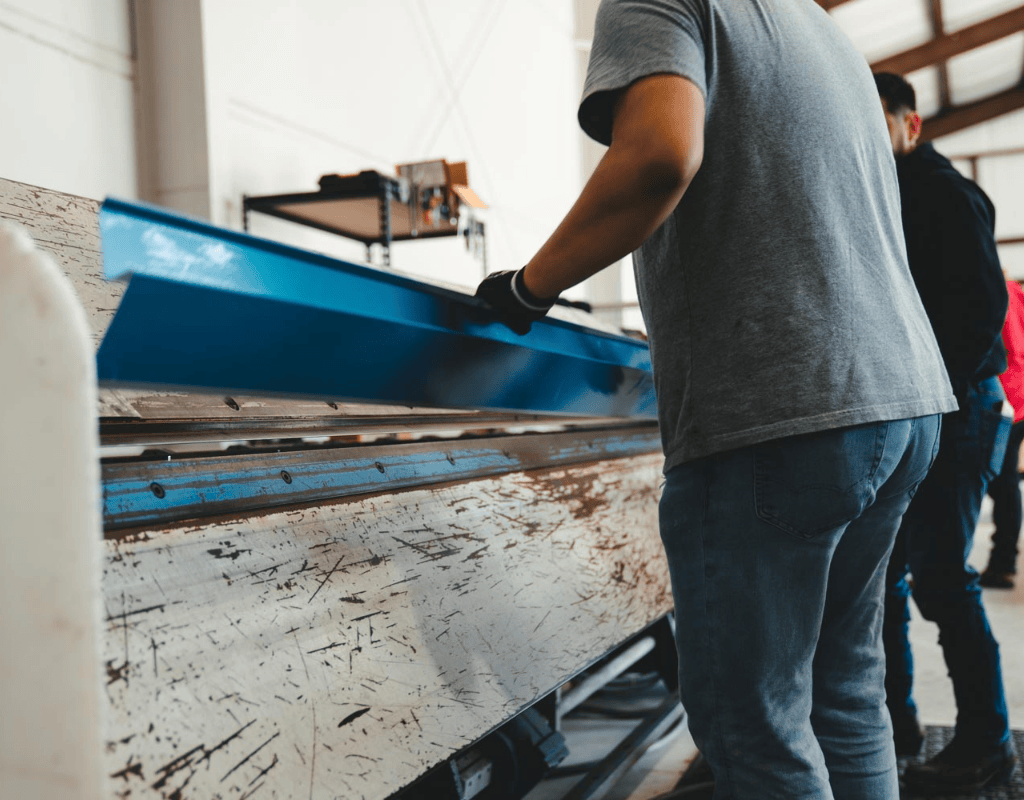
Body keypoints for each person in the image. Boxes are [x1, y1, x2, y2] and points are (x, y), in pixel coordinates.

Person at [475, 2, 954, 797]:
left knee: (753, 720)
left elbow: (660, 154)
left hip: (780, 406)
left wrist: (530, 287)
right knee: (845, 692)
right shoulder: (821, 30)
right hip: (898, 395)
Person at [875, 71, 1017, 794]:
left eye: (882, 120)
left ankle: (988, 744)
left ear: (912, 124)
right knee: (883, 579)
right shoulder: (886, 190)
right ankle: (893, 730)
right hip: (917, 407)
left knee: (939, 576)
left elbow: (985, 304)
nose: (870, 135)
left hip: (958, 407)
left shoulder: (938, 191)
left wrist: (933, 391)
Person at [983, 276, 1024, 589]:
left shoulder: (996, 286)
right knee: (1003, 481)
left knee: (1000, 481)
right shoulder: (1012, 289)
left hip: (1004, 397)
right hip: (1015, 395)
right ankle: (1003, 562)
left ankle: (1003, 562)